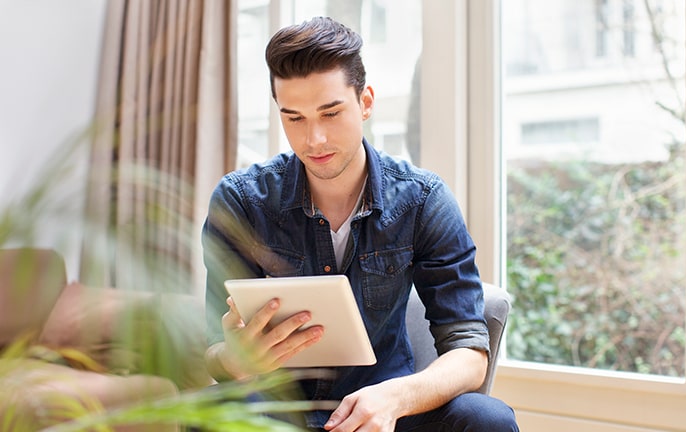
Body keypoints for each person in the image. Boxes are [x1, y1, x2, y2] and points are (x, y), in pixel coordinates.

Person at [201, 16, 520, 432]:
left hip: (388, 405)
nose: (313, 139)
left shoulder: (423, 200)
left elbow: (469, 351)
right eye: (294, 117)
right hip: (274, 414)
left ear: (365, 102)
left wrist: (397, 397)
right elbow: (211, 348)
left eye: (330, 113)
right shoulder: (241, 200)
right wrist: (234, 360)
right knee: (208, 415)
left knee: (486, 419)